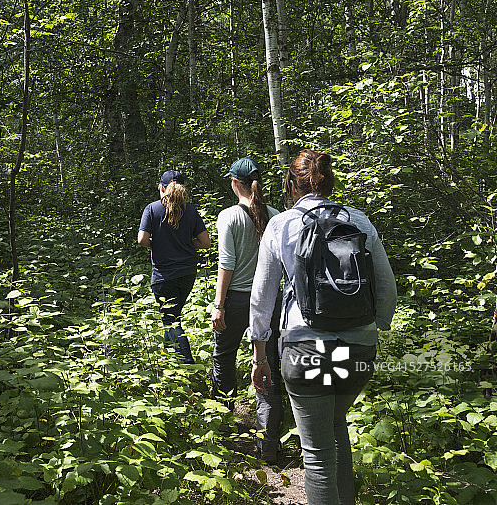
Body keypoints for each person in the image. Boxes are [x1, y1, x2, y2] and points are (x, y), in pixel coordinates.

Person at [249, 149, 397, 505]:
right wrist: (376, 327)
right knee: (335, 426)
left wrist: (259, 356)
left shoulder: (281, 224)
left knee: (316, 454)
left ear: (290, 184)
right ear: (330, 182)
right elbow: (387, 287)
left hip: (306, 349)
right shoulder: (358, 220)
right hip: (357, 348)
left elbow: (262, 296)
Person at [210, 157, 282, 462]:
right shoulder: (277, 216)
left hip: (238, 299)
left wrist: (219, 305)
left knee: (224, 355)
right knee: (270, 363)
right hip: (271, 301)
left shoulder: (228, 217)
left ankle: (223, 427)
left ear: (234, 183)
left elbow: (226, 264)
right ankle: (268, 441)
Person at [138, 170, 211, 364]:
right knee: (171, 316)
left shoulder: (152, 209)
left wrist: (157, 244)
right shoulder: (191, 211)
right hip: (187, 274)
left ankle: (188, 364)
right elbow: (206, 242)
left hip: (164, 276)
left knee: (171, 320)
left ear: (161, 188)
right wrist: (188, 244)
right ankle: (168, 363)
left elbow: (142, 239)